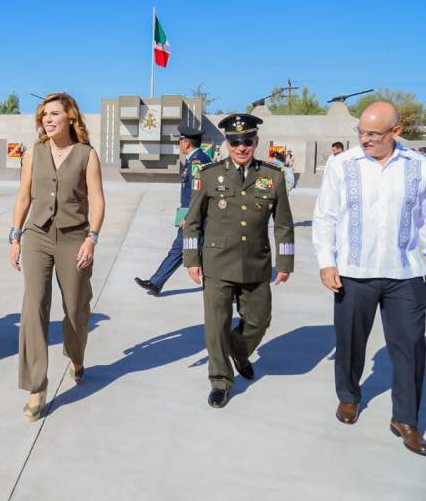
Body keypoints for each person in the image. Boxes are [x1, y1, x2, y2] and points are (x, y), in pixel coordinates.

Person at [312, 101, 426, 456]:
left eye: (372, 134)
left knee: (410, 346)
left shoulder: (419, 167)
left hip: (404, 272)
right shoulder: (341, 164)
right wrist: (326, 262)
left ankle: (405, 418)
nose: (363, 139)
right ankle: (348, 396)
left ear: (395, 132)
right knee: (349, 341)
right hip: (354, 272)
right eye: (360, 131)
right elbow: (326, 216)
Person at [183, 113, 294, 409]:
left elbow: (284, 224)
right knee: (216, 326)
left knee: (259, 321)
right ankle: (220, 380)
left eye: (246, 141)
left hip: (257, 263)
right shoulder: (208, 174)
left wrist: (285, 263)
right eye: (235, 142)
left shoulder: (273, 175)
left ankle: (239, 350)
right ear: (227, 143)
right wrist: (191, 259)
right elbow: (192, 222)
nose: (241, 147)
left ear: (255, 142)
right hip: (217, 263)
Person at [9, 92, 105, 421]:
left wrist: (92, 238)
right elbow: (23, 197)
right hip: (37, 236)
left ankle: (76, 356)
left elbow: (97, 199)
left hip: (74, 237)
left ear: (70, 118)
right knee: (33, 306)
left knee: (76, 308)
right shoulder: (33, 154)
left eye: (54, 114)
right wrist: (15, 236)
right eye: (44, 116)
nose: (48, 120)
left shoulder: (86, 155)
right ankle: (36, 386)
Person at [135, 125, 211, 296]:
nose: (179, 145)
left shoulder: (198, 162)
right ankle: (156, 282)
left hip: (196, 218)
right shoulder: (194, 160)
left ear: (186, 143)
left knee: (205, 253)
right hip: (191, 216)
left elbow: (197, 193)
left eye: (180, 141)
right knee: (179, 249)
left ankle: (228, 289)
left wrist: (190, 217)